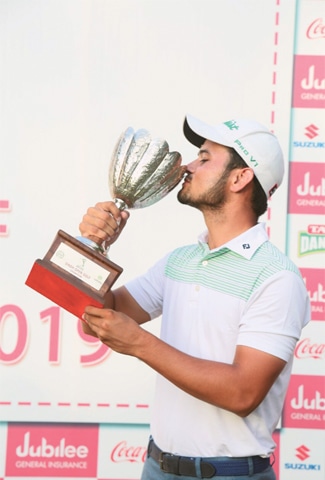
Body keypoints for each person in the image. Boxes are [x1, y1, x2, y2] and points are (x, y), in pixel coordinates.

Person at [79, 115, 310, 480]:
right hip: (157, 467)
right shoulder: (180, 260)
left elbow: (242, 393)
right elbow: (96, 318)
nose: (187, 165)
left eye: (203, 157)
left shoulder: (277, 277)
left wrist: (140, 344)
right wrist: (96, 248)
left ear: (239, 178)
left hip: (231, 474)